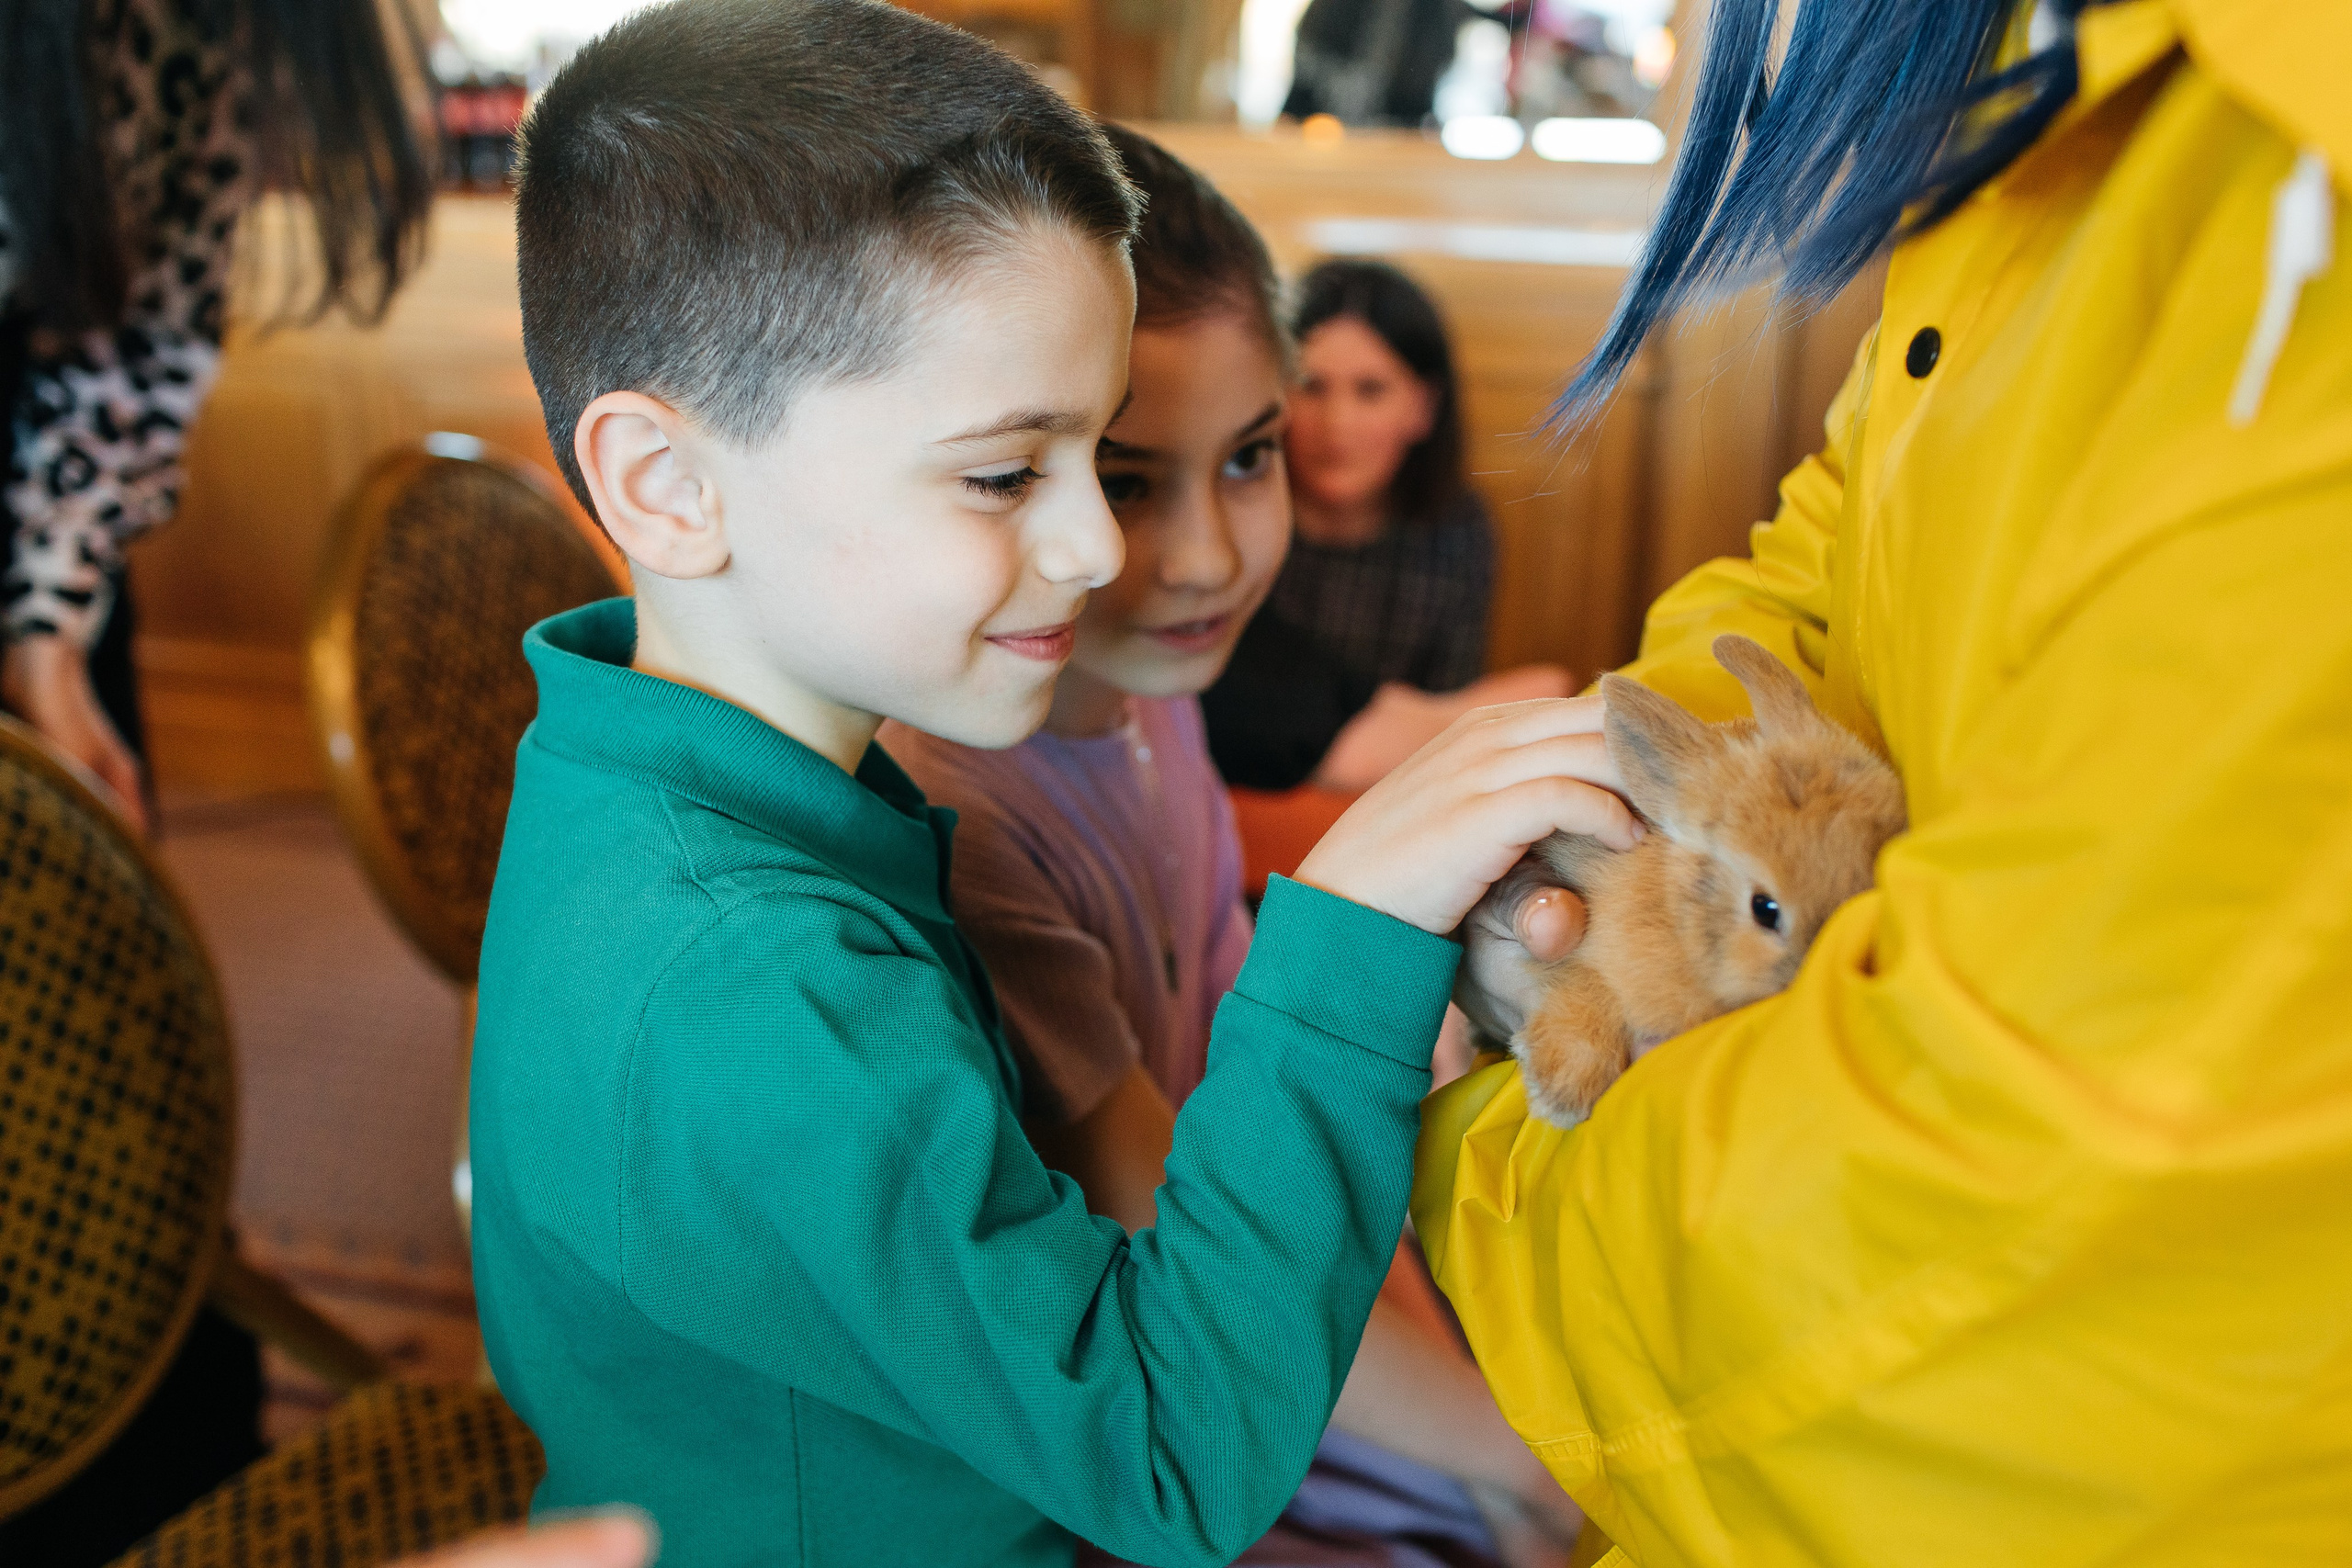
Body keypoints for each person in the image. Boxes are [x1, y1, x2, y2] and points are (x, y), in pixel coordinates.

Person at [467, 6, 1638, 1567]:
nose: (1094, 549)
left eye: (1101, 455)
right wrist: (1350, 924)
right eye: (1009, 473)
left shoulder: (678, 762)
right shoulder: (755, 981)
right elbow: (1167, 1456)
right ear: (668, 485)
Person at [1425, 0, 2352, 1563]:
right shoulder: (2068, 106)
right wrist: (1657, 809)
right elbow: (1830, 551)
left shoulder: (2292, 209)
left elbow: (1991, 1220)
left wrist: (1469, 1149)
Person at [884, 125, 1581, 1568]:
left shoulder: (1153, 692)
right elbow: (1159, 1233)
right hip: (1175, 1374)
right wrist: (1526, 1465)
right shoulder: (972, 809)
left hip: (1278, 1237)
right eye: (1133, 481)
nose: (1208, 556)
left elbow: (1227, 1007)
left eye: (1250, 457)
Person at [0, 5, 431, 1562]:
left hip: (27, 543)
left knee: (87, 1046)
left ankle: (146, 1468)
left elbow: (140, 318)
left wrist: (49, 615)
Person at [0, 0, 434, 833]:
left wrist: (45, 638)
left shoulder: (205, 25)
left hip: (45, 492)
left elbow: (149, 332)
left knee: (95, 893)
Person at [1204, 258, 1569, 797]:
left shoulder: (1455, 531)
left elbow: (1448, 708)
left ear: (1423, 407)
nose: (1336, 425)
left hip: (1388, 792)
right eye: (1311, 386)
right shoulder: (1229, 507)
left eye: (1370, 390)